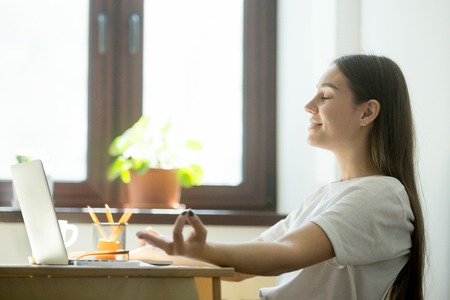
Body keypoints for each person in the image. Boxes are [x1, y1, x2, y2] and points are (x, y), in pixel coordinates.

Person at [132, 54, 426, 300]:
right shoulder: (326, 196)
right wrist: (145, 255)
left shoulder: (381, 195)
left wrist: (203, 250)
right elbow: (243, 266)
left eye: (325, 95)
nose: (309, 105)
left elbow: (285, 252)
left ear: (367, 112)